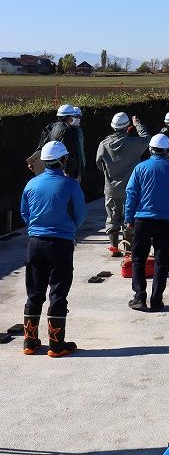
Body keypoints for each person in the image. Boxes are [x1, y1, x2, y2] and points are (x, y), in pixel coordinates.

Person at [20, 140, 87, 356]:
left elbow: (25, 213)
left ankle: (30, 343)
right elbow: (81, 213)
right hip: (60, 244)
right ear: (63, 160)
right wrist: (69, 229)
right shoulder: (70, 185)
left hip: (35, 243)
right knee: (58, 292)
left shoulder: (31, 184)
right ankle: (56, 345)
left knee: (34, 291)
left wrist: (36, 228)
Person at [124, 133, 169, 312]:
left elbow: (131, 194)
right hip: (165, 221)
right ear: (167, 150)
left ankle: (139, 297)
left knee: (138, 258)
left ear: (151, 149)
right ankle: (157, 300)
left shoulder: (140, 168)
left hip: (142, 220)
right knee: (161, 261)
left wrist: (129, 218)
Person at [96, 111, 150, 256]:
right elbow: (147, 139)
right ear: (127, 127)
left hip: (111, 189)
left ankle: (114, 248)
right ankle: (127, 250)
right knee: (129, 219)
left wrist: (109, 174)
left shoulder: (103, 144)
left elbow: (99, 164)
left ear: (113, 127)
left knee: (112, 219)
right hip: (130, 190)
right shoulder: (134, 143)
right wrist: (138, 124)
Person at [27, 104, 83, 180]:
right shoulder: (66, 130)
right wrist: (66, 171)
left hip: (48, 168)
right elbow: (68, 152)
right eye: (72, 117)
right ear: (69, 117)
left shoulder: (50, 127)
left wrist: (33, 161)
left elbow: (41, 145)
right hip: (60, 170)